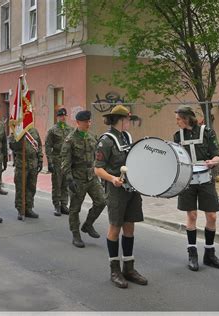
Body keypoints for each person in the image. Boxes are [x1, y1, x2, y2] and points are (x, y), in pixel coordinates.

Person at [94, 104, 147, 288]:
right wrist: (112, 179)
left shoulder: (127, 137)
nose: (130, 123)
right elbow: (97, 169)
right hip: (116, 190)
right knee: (115, 228)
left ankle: (129, 268)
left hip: (132, 189)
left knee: (130, 227)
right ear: (120, 120)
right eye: (128, 120)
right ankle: (114, 270)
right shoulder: (106, 141)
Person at [173, 106, 219, 271]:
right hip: (187, 181)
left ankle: (209, 254)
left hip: (206, 180)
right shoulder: (177, 136)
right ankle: (192, 254)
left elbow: (216, 154)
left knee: (211, 216)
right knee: (192, 215)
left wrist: (213, 161)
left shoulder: (207, 132)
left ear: (187, 118)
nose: (176, 122)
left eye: (178, 119)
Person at [61, 110, 105, 248]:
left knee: (102, 201)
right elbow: (65, 161)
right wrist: (69, 179)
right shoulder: (70, 139)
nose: (88, 124)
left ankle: (88, 224)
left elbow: (97, 158)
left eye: (89, 121)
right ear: (78, 122)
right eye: (86, 122)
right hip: (77, 179)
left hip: (91, 176)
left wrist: (101, 173)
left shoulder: (92, 137)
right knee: (75, 209)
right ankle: (76, 235)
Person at [9, 122, 43, 221]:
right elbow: (12, 146)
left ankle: (29, 208)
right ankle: (20, 209)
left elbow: (39, 146)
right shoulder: (17, 131)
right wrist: (19, 136)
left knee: (31, 187)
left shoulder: (34, 131)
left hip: (33, 163)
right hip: (22, 163)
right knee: (21, 187)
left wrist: (40, 160)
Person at [45, 108, 74, 216]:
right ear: (57, 117)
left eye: (64, 116)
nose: (63, 117)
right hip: (57, 159)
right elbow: (48, 146)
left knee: (65, 184)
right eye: (61, 116)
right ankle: (56, 205)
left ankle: (64, 205)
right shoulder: (52, 130)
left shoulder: (70, 129)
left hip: (67, 161)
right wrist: (50, 162)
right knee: (57, 184)